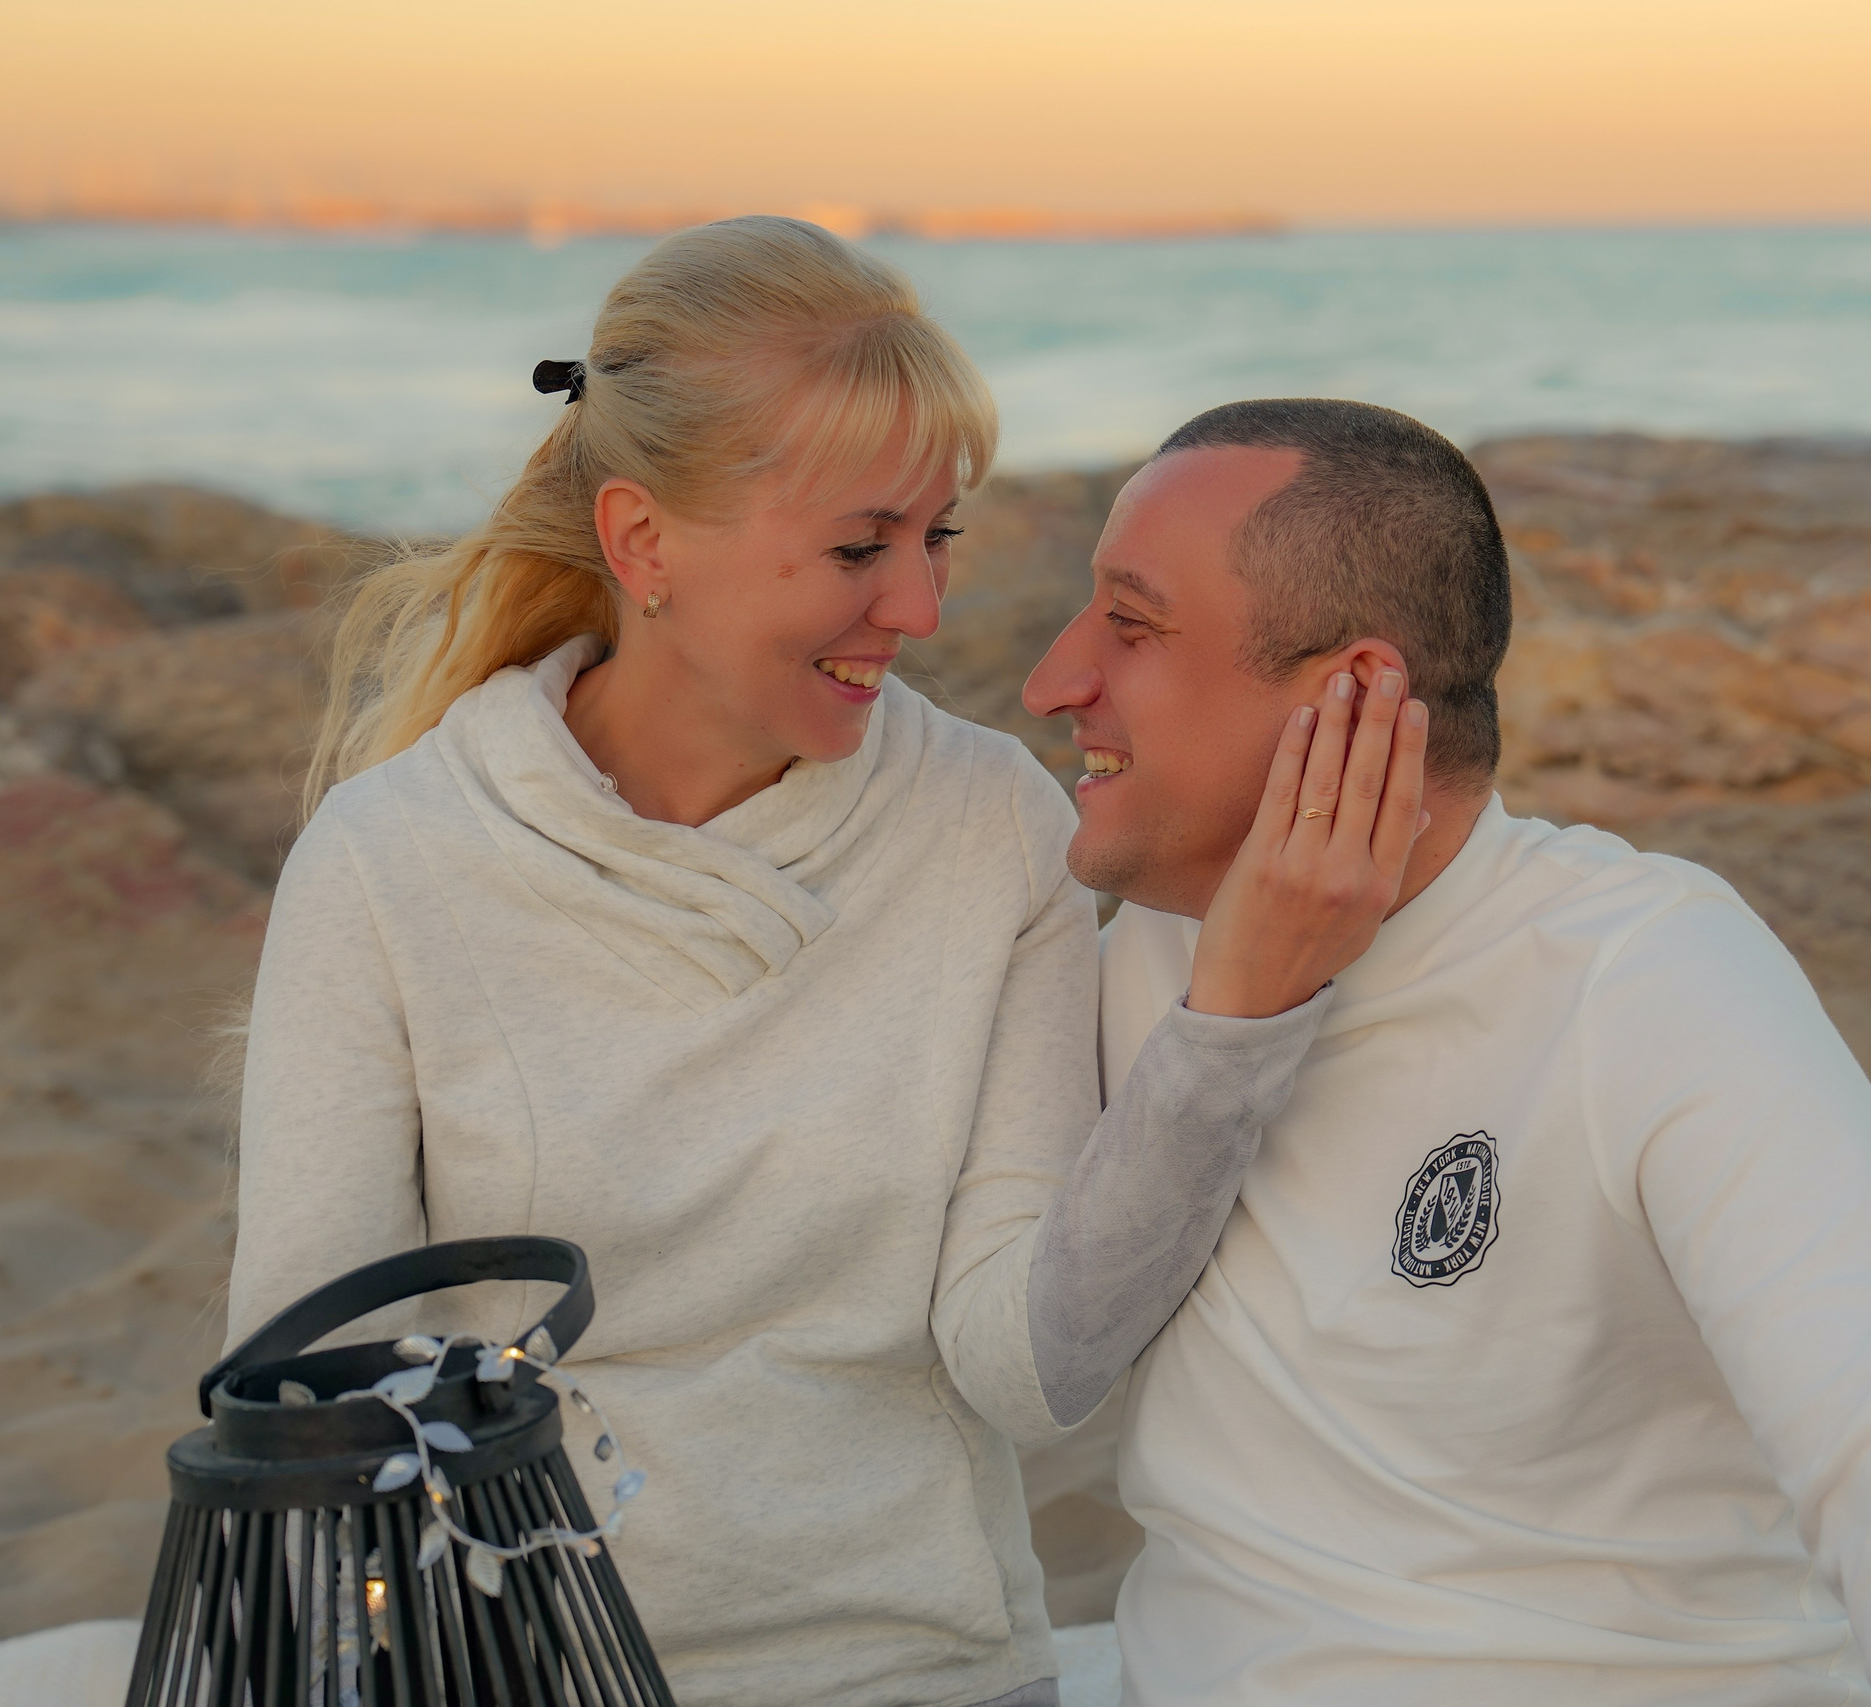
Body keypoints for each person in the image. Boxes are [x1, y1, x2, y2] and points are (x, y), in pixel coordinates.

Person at [228, 224, 1425, 1707]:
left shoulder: (991, 828)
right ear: (643, 542)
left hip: (918, 1669)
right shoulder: (391, 860)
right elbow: (314, 1391)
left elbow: (1028, 1371)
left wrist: (1236, 1018)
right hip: (520, 1670)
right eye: (862, 547)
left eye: (940, 539)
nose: (920, 609)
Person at [1020, 398, 1871, 1706]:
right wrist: (1239, 1016)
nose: (1053, 680)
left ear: (1353, 697)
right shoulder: (1143, 952)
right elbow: (1034, 1350)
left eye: (1131, 627)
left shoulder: (1643, 976)